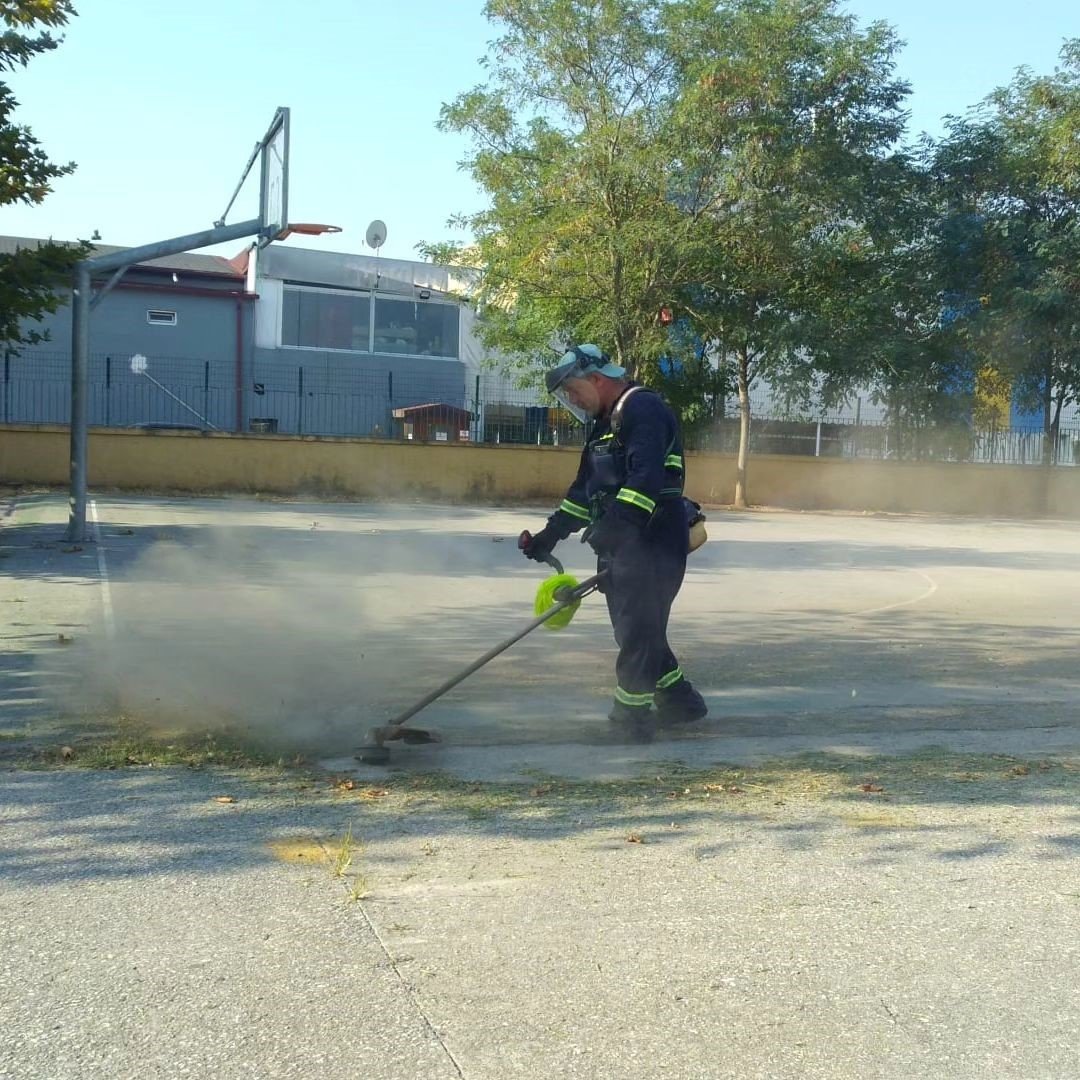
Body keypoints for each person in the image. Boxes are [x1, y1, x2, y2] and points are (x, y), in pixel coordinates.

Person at [521, 344, 708, 742]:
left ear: (596, 379)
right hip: (623, 541)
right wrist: (550, 534)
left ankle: (631, 721)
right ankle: (681, 701)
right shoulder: (604, 424)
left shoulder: (642, 409)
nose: (572, 400)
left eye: (573, 391)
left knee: (638, 631)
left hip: (655, 539)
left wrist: (617, 524)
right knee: (635, 630)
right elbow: (584, 489)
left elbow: (646, 478)